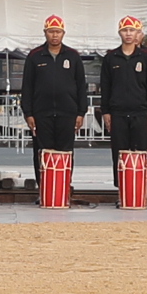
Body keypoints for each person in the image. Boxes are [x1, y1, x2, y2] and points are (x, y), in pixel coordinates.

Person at [19, 13, 89, 203]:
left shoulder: (73, 56)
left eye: (58, 32)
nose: (54, 35)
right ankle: (44, 190)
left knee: (66, 152)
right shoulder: (35, 56)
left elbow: (81, 86)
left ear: (63, 33)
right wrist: (28, 113)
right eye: (51, 32)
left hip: (68, 113)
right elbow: (27, 86)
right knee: (42, 152)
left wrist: (81, 112)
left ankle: (64, 188)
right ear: (45, 33)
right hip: (41, 114)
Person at [99, 13, 147, 205]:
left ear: (138, 33)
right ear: (120, 33)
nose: (128, 34)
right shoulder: (111, 57)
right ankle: (123, 193)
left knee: (140, 153)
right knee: (119, 154)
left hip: (141, 113)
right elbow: (106, 86)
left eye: (132, 30)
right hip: (118, 113)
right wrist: (106, 111)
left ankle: (140, 192)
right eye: (125, 30)